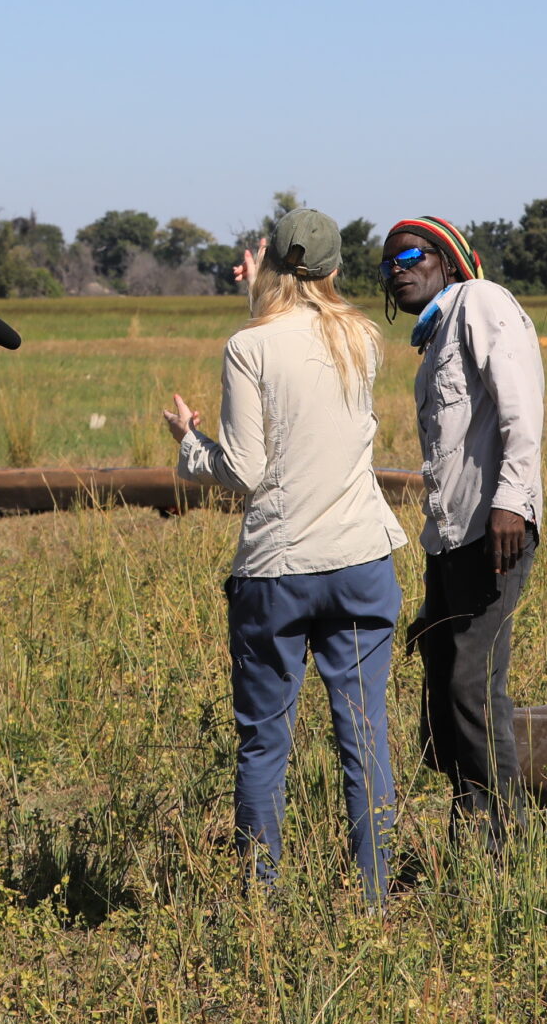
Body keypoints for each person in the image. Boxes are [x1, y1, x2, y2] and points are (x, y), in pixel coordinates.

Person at [164, 209, 405, 899]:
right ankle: (375, 895)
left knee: (265, 740)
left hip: (277, 568)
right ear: (335, 268)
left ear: (269, 265)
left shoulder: (248, 346)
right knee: (364, 732)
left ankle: (261, 898)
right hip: (361, 560)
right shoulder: (363, 337)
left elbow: (244, 468)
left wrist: (189, 442)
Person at [382, 217, 544, 853]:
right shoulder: (434, 341)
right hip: (450, 540)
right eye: (389, 265)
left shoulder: (480, 301)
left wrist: (512, 501)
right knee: (445, 693)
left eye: (411, 257)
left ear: (447, 261)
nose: (398, 272)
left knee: (471, 687)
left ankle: (508, 844)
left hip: (494, 530)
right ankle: (470, 838)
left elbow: (520, 409)